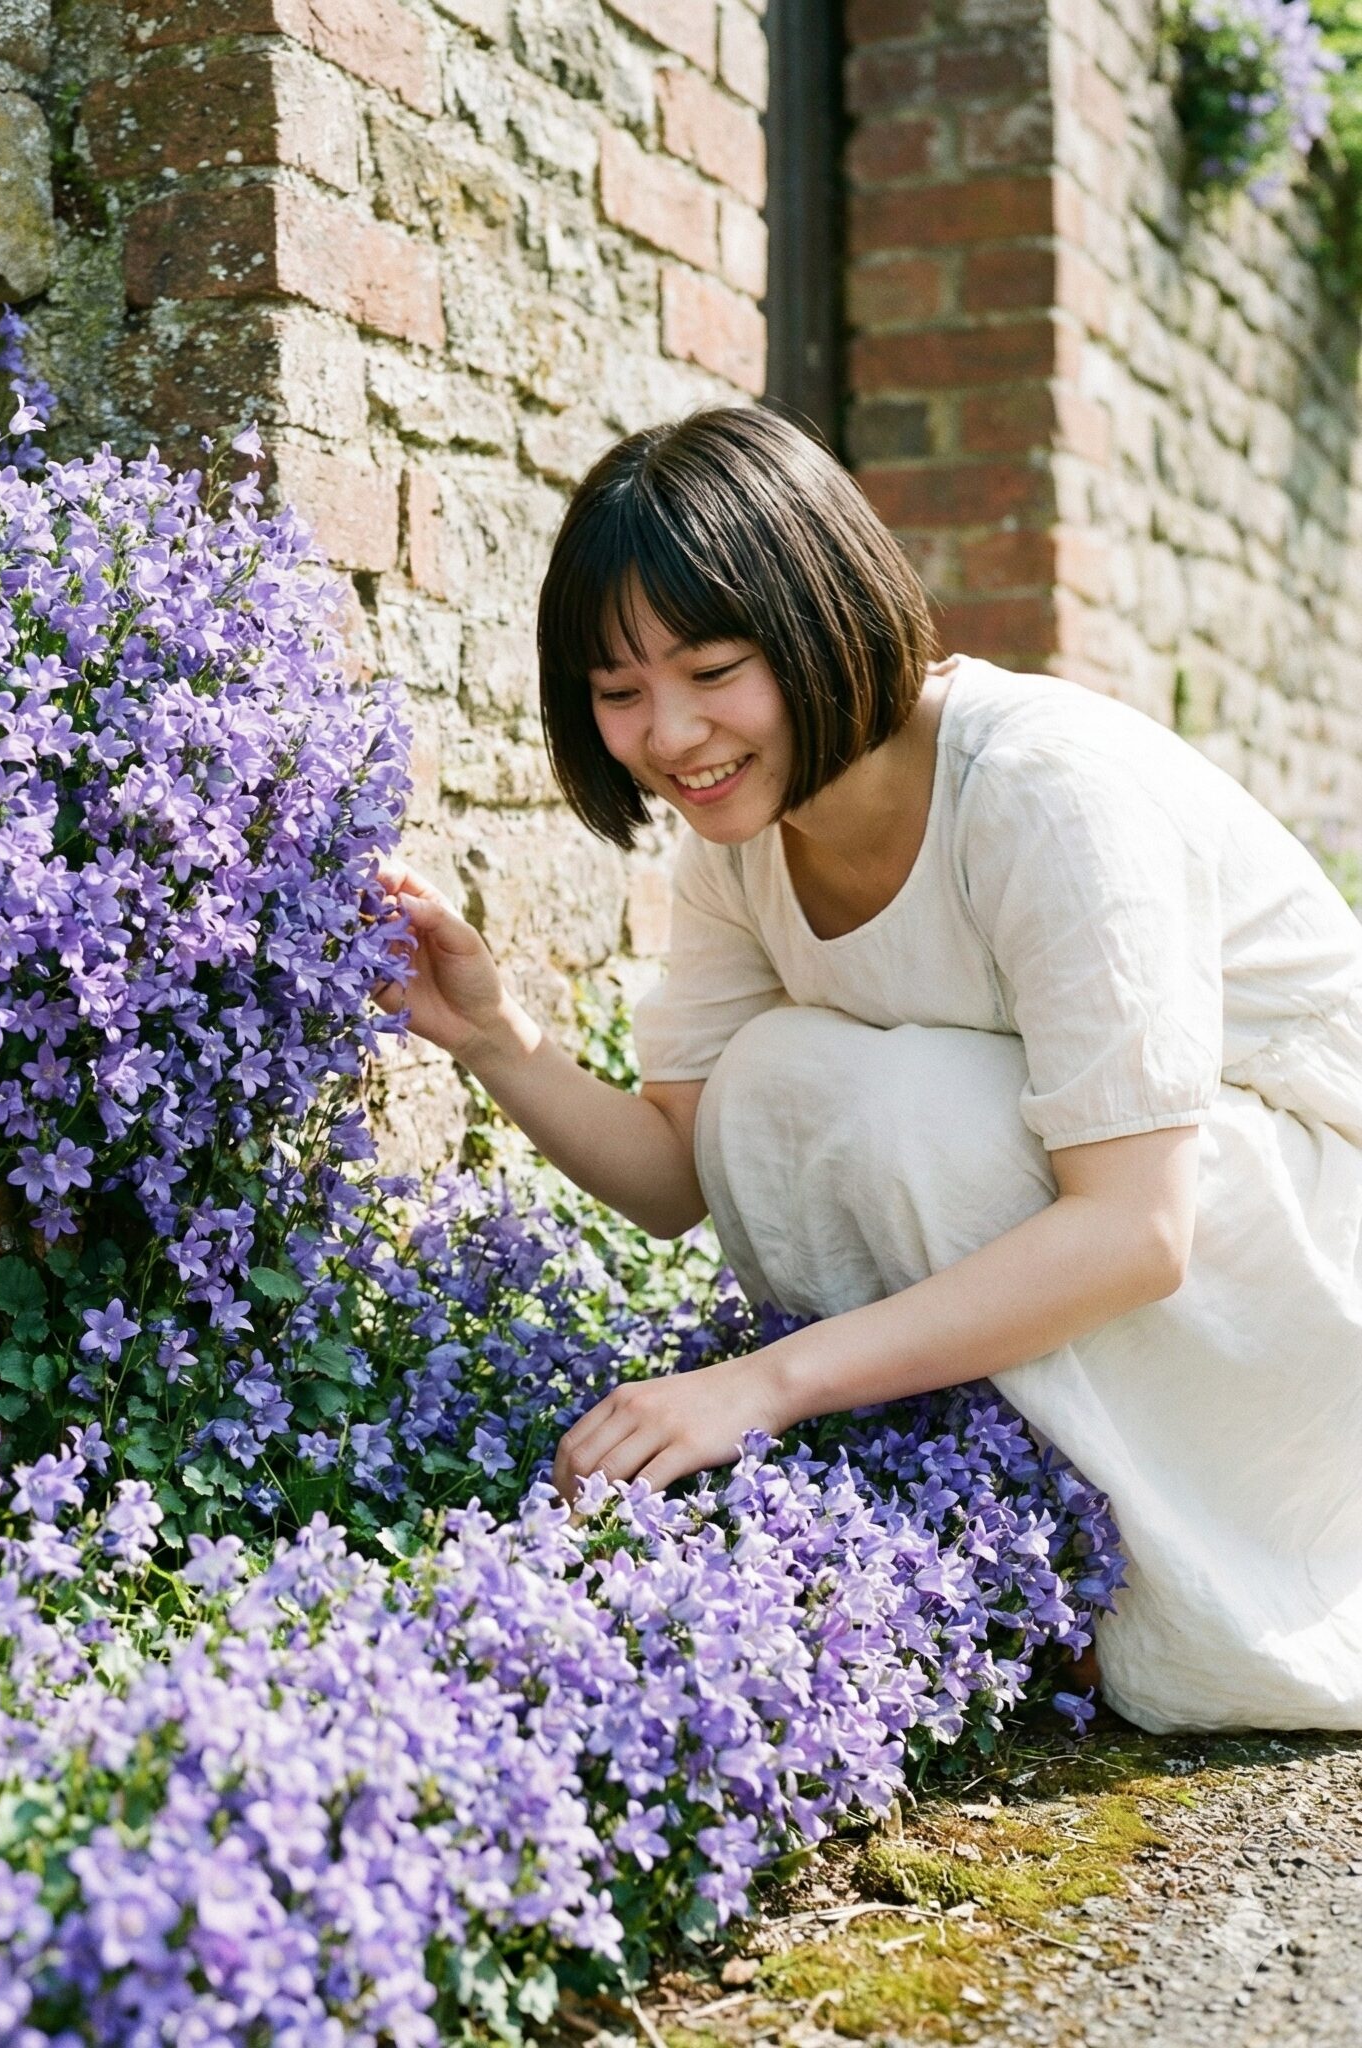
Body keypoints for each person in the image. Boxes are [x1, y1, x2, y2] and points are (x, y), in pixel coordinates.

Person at [376, 407, 1362, 1735]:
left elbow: (1139, 1229)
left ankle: (1149, 1573)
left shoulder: (1045, 789)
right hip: (1155, 1246)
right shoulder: (740, 837)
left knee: (904, 1114)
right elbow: (688, 1169)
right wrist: (492, 1036)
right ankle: (995, 1534)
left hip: (1307, 1255)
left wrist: (760, 1386)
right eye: (620, 693)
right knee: (778, 1085)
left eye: (713, 669)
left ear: (819, 616)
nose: (669, 736)